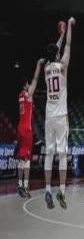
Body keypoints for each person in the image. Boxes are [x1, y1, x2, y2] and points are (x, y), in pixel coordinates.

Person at [44, 16, 76, 209]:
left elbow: (54, 50)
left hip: (49, 115)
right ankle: (62, 192)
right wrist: (69, 27)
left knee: (49, 154)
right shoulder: (62, 67)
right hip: (61, 115)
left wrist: (60, 36)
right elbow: (68, 45)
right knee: (62, 154)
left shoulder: (47, 68)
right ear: (57, 54)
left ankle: (47, 189)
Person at [15, 58, 45, 198]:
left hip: (19, 128)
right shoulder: (28, 95)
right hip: (26, 129)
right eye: (28, 84)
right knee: (26, 160)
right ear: (26, 86)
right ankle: (26, 187)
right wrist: (38, 64)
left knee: (21, 159)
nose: (30, 85)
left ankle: (19, 184)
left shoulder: (20, 96)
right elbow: (36, 79)